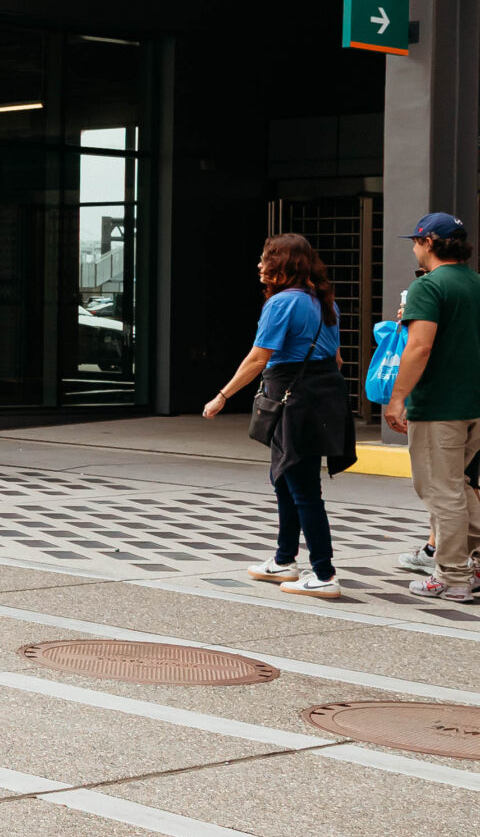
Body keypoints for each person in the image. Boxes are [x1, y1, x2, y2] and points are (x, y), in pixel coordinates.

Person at [204, 231, 354, 600]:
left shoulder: (282, 303)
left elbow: (259, 357)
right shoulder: (324, 301)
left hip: (294, 398)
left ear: (283, 266)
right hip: (322, 394)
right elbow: (336, 358)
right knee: (286, 478)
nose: (259, 264)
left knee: (303, 488)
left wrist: (222, 396)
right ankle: (285, 559)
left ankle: (324, 573)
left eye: (265, 258)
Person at [383, 212, 480, 603]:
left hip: (439, 406)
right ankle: (466, 563)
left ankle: (453, 575)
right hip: (474, 404)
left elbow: (419, 346)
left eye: (416, 241)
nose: (413, 248)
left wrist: (398, 397)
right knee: (460, 488)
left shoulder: (428, 287)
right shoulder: (476, 283)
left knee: (442, 492)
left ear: (429, 243)